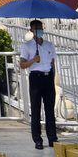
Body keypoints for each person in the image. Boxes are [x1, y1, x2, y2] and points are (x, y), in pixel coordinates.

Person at [19, 19, 58, 149]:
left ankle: (52, 138)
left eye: (40, 28)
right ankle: (37, 139)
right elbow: (22, 64)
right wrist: (33, 60)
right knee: (36, 110)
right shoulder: (28, 46)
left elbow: (52, 62)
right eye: (36, 28)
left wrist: (52, 75)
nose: (39, 30)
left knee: (49, 110)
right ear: (31, 30)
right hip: (36, 78)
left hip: (47, 78)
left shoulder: (48, 45)